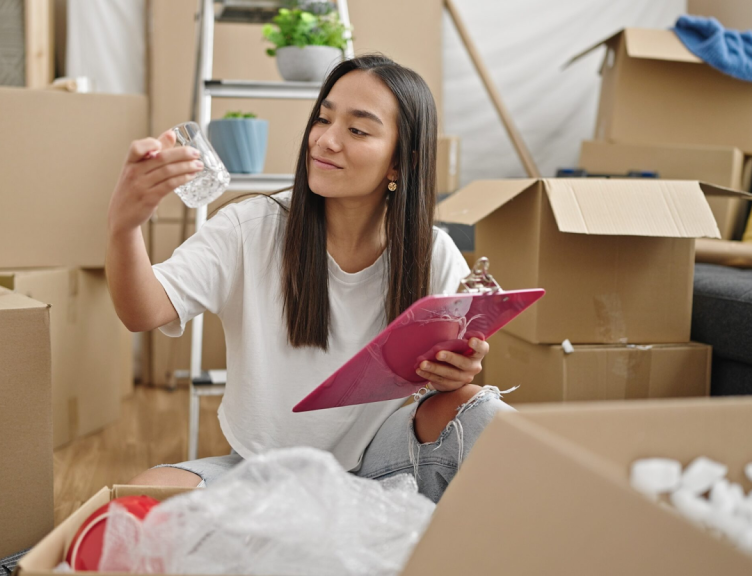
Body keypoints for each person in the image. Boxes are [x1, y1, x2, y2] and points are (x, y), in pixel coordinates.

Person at [105, 54, 512, 503]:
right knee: (135, 500)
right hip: (261, 474)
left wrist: (457, 373)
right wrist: (124, 226)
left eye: (357, 130)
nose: (325, 141)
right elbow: (143, 311)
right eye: (323, 119)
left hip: (381, 468)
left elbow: (447, 392)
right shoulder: (250, 228)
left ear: (400, 163)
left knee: (479, 407)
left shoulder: (431, 253)